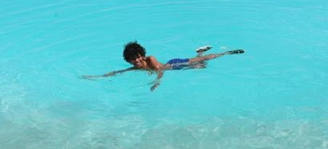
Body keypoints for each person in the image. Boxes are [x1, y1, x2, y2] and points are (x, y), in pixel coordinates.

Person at [83, 41, 245, 90]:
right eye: (133, 60)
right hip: (174, 68)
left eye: (138, 58)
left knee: (203, 63)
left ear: (143, 55)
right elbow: (119, 72)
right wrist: (97, 77)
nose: (137, 62)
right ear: (129, 60)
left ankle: (227, 53)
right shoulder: (135, 67)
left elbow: (160, 71)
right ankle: (200, 51)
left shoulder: (151, 59)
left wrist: (156, 82)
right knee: (202, 66)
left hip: (175, 65)